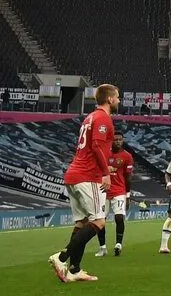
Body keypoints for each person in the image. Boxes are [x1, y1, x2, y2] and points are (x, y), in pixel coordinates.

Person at [50, 83, 119, 284]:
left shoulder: (90, 117)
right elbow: (97, 145)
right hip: (88, 176)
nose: (119, 100)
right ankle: (61, 257)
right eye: (118, 97)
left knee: (82, 224)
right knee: (98, 222)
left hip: (74, 175)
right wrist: (105, 173)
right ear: (109, 99)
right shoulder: (103, 118)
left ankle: (74, 269)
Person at [94, 131, 136, 256]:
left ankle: (118, 244)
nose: (118, 141)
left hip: (119, 191)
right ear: (111, 141)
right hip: (103, 191)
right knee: (100, 220)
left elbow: (128, 177)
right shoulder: (103, 154)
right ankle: (102, 247)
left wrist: (128, 195)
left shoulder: (127, 156)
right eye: (115, 139)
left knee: (119, 217)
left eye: (120, 139)